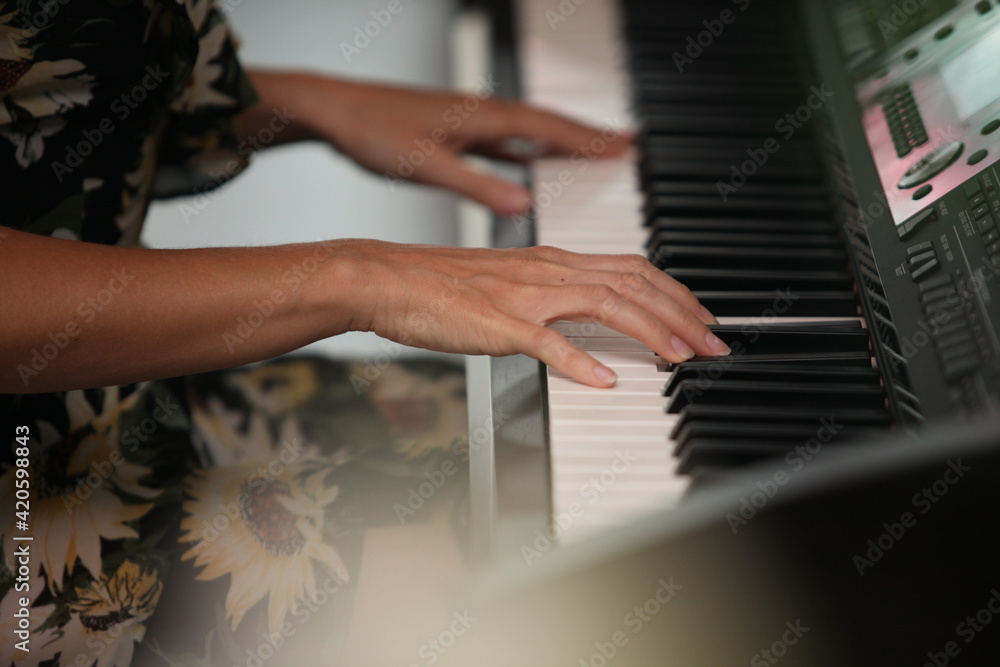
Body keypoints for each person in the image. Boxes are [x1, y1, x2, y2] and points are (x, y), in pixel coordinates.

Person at [0, 2, 729, 665]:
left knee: (532, 442)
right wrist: (357, 276)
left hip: (121, 397)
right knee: (582, 595)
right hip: (37, 534)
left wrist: (311, 100)